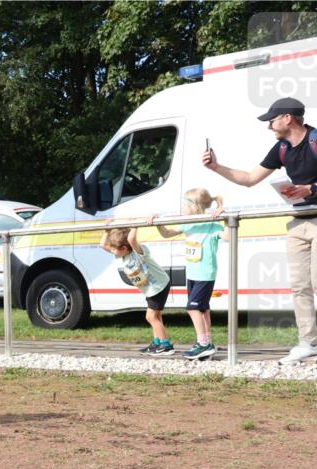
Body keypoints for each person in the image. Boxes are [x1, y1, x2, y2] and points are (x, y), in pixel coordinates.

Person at [203, 96, 317, 365]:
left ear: (288, 118)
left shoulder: (315, 141)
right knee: (300, 286)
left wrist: (312, 189)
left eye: (272, 120)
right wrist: (216, 167)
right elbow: (249, 179)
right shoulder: (280, 148)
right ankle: (309, 343)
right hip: (298, 220)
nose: (269, 126)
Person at [158, 188, 229, 360]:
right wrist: (157, 223)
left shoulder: (212, 225)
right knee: (203, 309)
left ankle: (203, 344)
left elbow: (227, 236)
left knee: (193, 308)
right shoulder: (188, 224)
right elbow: (167, 233)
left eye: (185, 204)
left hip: (205, 274)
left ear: (196, 206)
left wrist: (226, 218)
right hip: (192, 274)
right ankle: (208, 344)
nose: (182, 207)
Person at [100, 225, 174, 355]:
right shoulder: (123, 255)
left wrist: (136, 225)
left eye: (113, 249)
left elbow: (132, 239)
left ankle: (166, 345)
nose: (111, 251)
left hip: (158, 286)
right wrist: (107, 231)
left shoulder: (138, 252)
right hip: (151, 289)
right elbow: (102, 245)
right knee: (156, 316)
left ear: (123, 248)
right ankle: (157, 343)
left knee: (150, 317)